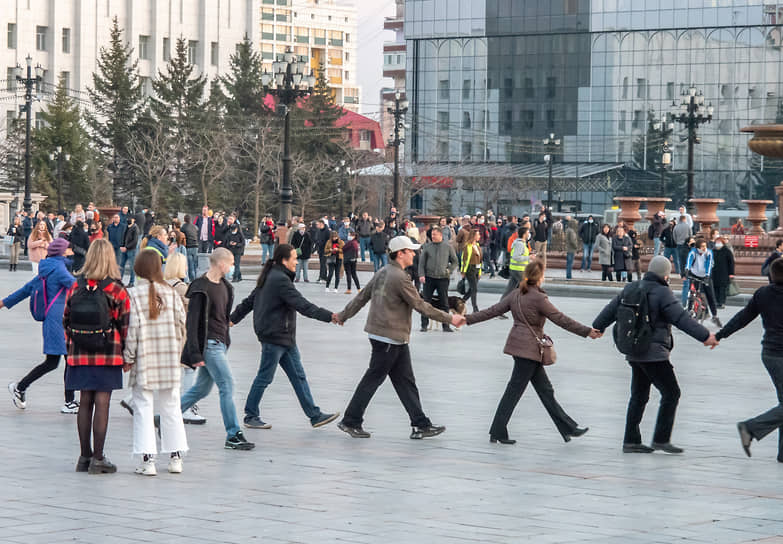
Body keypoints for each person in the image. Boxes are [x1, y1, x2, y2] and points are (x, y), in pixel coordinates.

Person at [335, 236, 465, 439]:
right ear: (401, 253)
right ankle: (350, 420)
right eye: (411, 250)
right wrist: (450, 318)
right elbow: (421, 305)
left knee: (405, 382)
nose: (414, 253)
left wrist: (344, 315)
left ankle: (420, 424)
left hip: (387, 336)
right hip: (389, 336)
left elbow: (362, 296)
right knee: (373, 379)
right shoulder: (399, 277)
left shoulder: (383, 272)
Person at [465, 261, 601, 444]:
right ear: (540, 277)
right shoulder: (539, 298)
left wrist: (467, 319)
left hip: (520, 347)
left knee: (545, 390)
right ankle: (498, 430)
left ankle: (568, 428)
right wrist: (587, 331)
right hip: (528, 350)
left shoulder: (516, 293)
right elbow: (561, 319)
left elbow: (492, 311)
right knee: (515, 391)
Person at [593, 256, 717, 454]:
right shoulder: (663, 292)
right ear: (665, 274)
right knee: (671, 393)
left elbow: (610, 310)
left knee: (639, 395)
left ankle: (631, 440)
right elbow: (681, 318)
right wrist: (705, 336)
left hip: (634, 350)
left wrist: (598, 327)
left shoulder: (632, 287)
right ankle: (660, 439)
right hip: (653, 354)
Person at [230, 244, 340, 431]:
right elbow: (303, 305)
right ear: (284, 260)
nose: (296, 261)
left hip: (282, 336)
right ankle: (251, 415)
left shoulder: (271, 276)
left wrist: (232, 319)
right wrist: (330, 316)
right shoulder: (279, 280)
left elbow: (249, 302)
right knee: (265, 377)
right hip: (275, 335)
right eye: (293, 258)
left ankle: (314, 415)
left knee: (298, 376)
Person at [63, 239, 131, 474]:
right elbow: (125, 323)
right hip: (107, 351)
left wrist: (71, 343)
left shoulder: (76, 285)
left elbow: (66, 318)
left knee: (85, 402)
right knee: (102, 402)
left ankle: (84, 456)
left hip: (79, 351)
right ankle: (98, 458)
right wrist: (124, 352)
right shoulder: (117, 288)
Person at [179, 248, 254, 450]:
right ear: (221, 264)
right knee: (227, 385)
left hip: (220, 343)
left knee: (201, 389)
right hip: (209, 345)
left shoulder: (226, 287)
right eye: (230, 264)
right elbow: (192, 322)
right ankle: (233, 434)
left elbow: (224, 317)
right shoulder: (200, 287)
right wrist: (194, 352)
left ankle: (166, 417)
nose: (232, 268)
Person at [123, 249, 188, 476]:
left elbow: (132, 331)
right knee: (172, 407)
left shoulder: (133, 294)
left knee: (143, 407)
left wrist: (128, 357)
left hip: (145, 358)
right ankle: (176, 457)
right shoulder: (171, 293)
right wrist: (177, 349)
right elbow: (182, 323)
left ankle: (148, 460)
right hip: (169, 357)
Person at [717, 258, 783, 462]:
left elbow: (743, 318)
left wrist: (720, 335)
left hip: (770, 354)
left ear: (771, 275)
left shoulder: (762, 294)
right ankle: (750, 427)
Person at [3, 238, 77, 413]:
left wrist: (3, 303)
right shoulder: (59, 268)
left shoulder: (46, 269)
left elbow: (25, 290)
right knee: (60, 361)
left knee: (58, 362)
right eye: (68, 248)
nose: (71, 251)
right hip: (58, 321)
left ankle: (21, 387)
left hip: (54, 320)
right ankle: (22, 387)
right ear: (61, 252)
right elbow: (75, 286)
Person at [161, 252, 205, 425]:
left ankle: (133, 400)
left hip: (165, 332)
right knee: (189, 368)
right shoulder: (181, 288)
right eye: (185, 264)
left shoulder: (163, 285)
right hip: (180, 333)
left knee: (168, 372)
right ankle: (187, 407)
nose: (187, 267)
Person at [419, 226, 458, 332]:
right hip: (429, 278)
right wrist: (421, 274)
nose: (433, 236)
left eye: (435, 235)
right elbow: (421, 262)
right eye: (432, 235)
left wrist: (448, 270)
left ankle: (446, 325)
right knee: (426, 302)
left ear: (440, 235)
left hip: (443, 278)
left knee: (444, 302)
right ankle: (424, 325)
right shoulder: (427, 247)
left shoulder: (448, 247)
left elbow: (455, 261)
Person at [682, 238, 722, 326]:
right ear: (697, 248)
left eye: (705, 246)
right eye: (702, 247)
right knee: (692, 293)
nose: (704, 248)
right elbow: (689, 261)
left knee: (710, 295)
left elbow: (708, 264)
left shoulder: (708, 253)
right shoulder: (693, 252)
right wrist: (687, 269)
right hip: (695, 274)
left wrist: (707, 275)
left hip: (705, 276)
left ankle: (714, 316)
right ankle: (689, 312)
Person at [461, 229, 482, 313]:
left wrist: (480, 272)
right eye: (478, 235)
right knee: (474, 289)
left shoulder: (477, 245)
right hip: (470, 269)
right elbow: (464, 259)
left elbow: (480, 260)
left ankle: (462, 301)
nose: (479, 236)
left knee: (472, 289)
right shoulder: (468, 246)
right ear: (473, 236)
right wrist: (463, 271)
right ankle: (475, 308)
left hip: (477, 269)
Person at [712, 237, 735, 309]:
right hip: (714, 273)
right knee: (715, 288)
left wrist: (731, 273)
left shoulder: (727, 251)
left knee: (722, 289)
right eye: (717, 242)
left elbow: (731, 263)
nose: (718, 243)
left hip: (724, 273)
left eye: (719, 242)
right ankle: (716, 302)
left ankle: (722, 302)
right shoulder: (713, 251)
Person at [226, 215, 245, 283]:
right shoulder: (229, 234)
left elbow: (243, 243)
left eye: (234, 230)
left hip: (238, 251)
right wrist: (230, 244)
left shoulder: (240, 234)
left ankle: (235, 277)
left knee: (237, 264)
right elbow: (227, 242)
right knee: (235, 264)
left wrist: (236, 244)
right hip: (232, 250)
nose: (233, 231)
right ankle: (239, 276)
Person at [181, 214, 199, 282]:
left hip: (188, 246)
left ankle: (192, 280)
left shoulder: (183, 227)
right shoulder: (195, 227)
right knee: (195, 264)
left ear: (184, 219)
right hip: (196, 246)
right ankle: (196, 278)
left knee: (190, 264)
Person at [343, 230, 361, 294]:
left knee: (348, 274)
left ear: (353, 236)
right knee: (354, 274)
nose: (348, 236)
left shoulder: (350, 243)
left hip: (348, 260)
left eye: (349, 235)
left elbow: (343, 248)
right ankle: (359, 288)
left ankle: (349, 289)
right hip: (354, 259)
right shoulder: (356, 242)